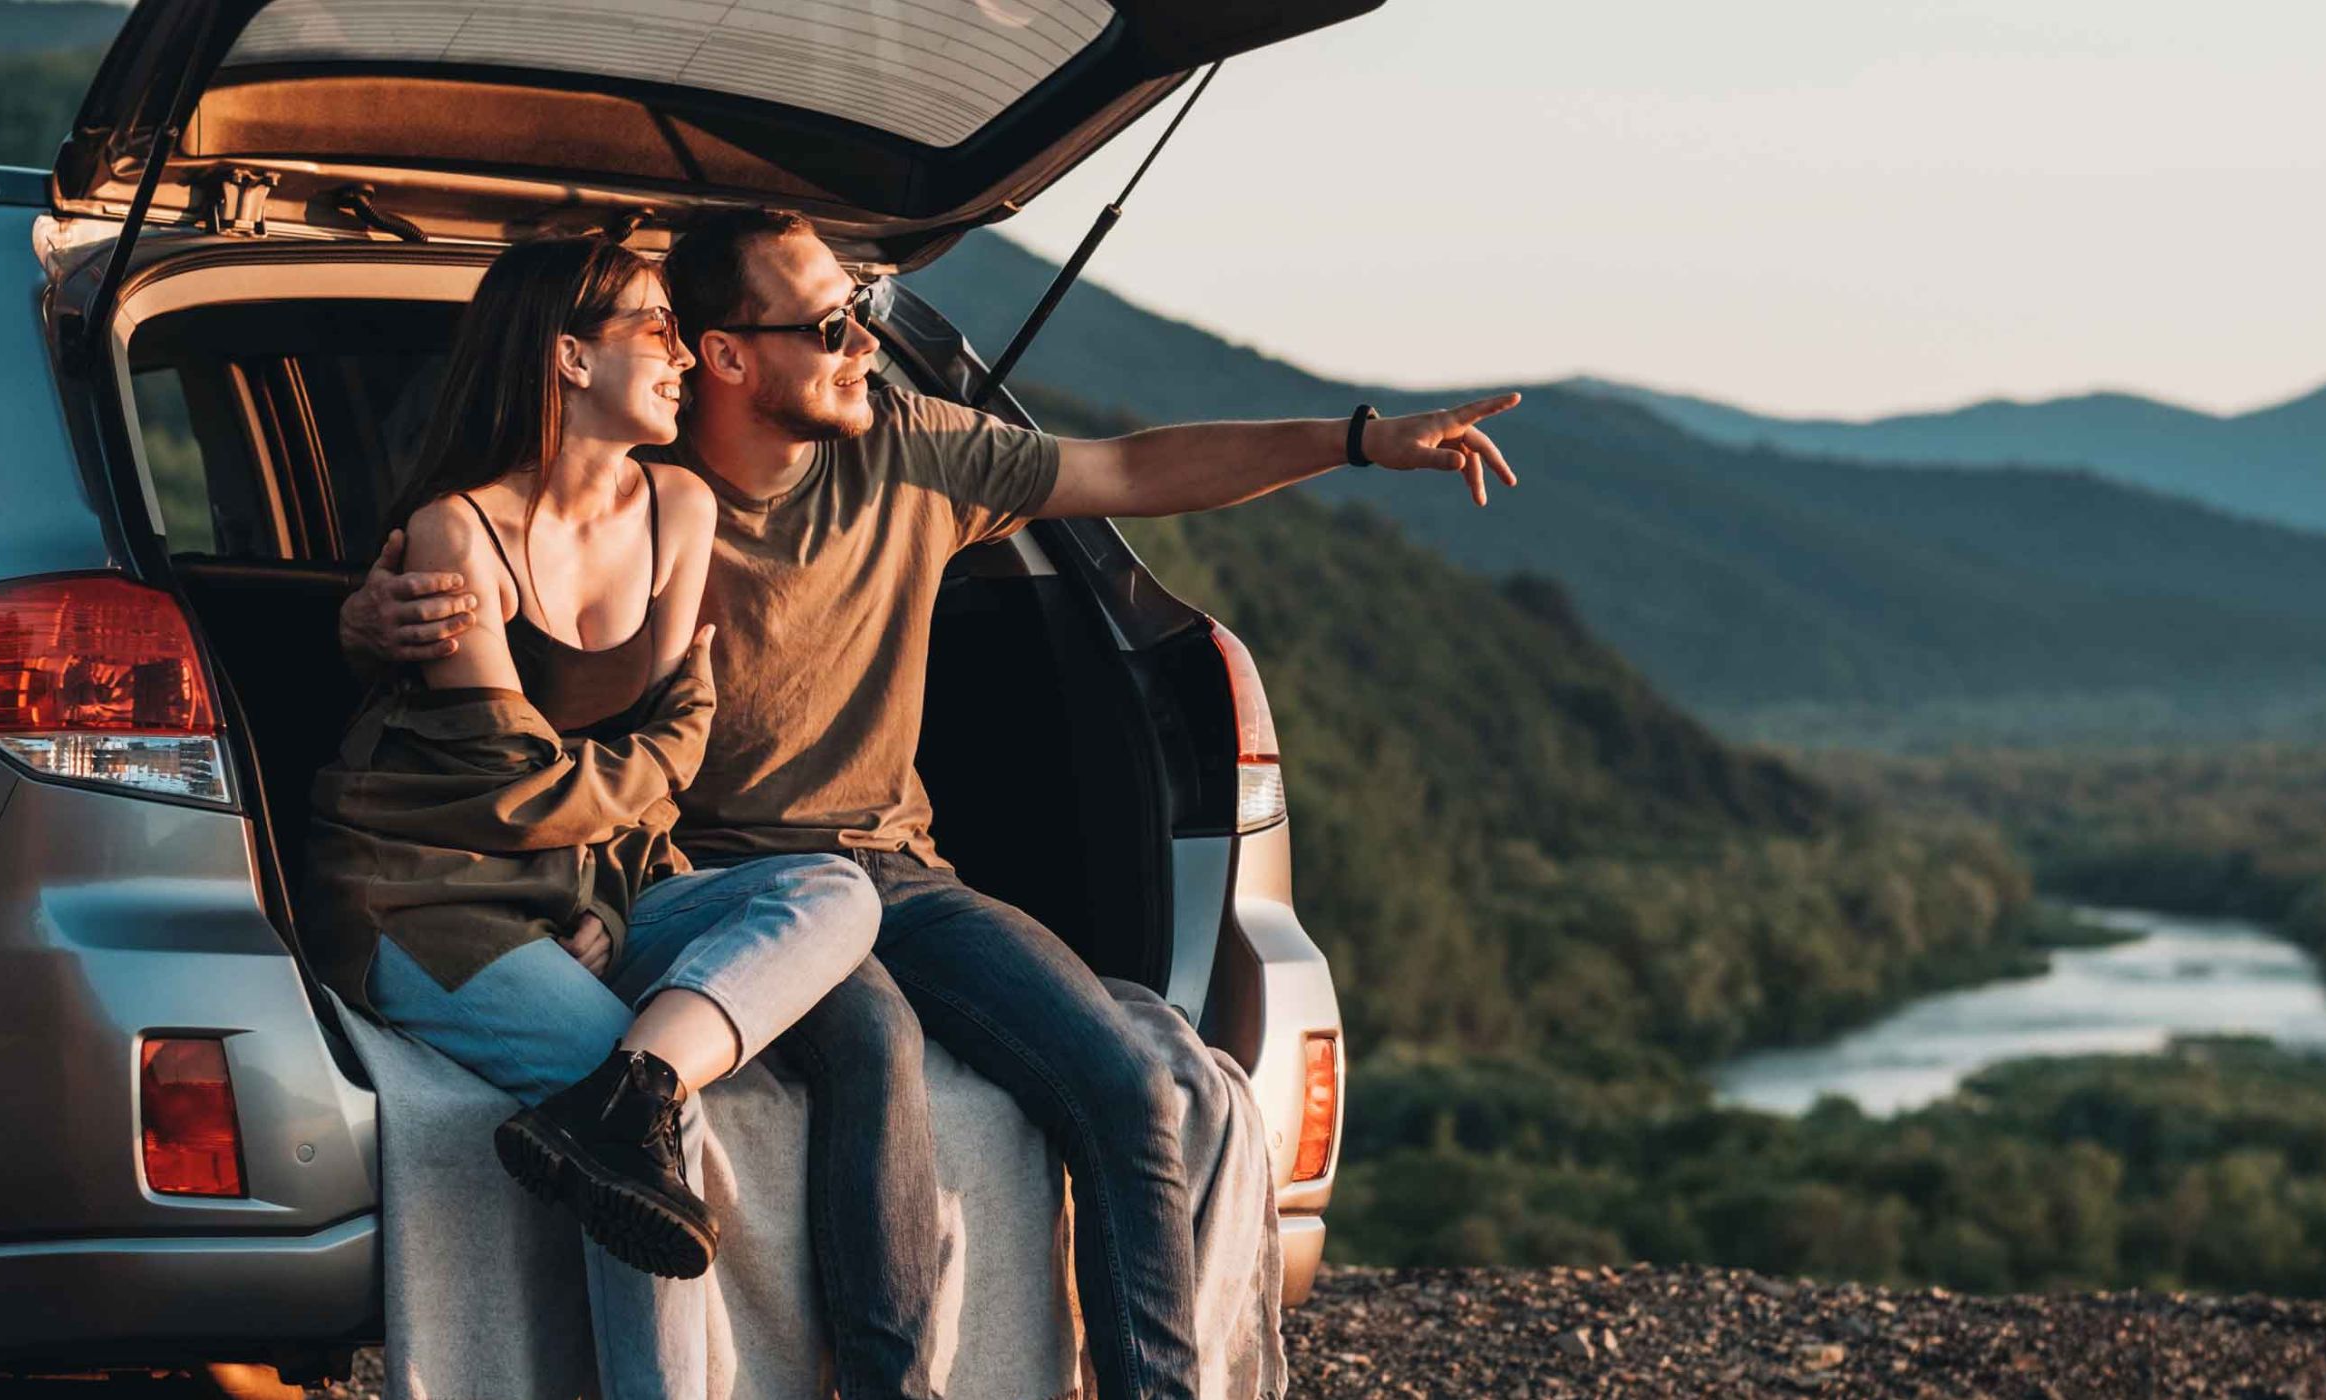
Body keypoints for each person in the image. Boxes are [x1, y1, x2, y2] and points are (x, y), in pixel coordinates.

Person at [339, 207, 1521, 1399]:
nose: (864, 342)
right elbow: (502, 613)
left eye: (861, 315)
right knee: (874, 1041)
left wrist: (1362, 437)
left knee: (1123, 1079)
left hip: (892, 863)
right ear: (731, 354)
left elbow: (1132, 468)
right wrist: (370, 619)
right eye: (830, 323)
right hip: (709, 876)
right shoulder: (639, 469)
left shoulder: (900, 446)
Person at [302, 234, 936, 1400]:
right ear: (568, 356)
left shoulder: (682, 505)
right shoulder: (457, 533)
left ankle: (626, 1098)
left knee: (834, 890)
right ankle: (633, 1115)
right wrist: (612, 835)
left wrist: (601, 888)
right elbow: (520, 788)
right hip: (428, 896)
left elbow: (666, 762)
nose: (683, 354)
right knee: (648, 1139)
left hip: (583, 883)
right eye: (653, 326)